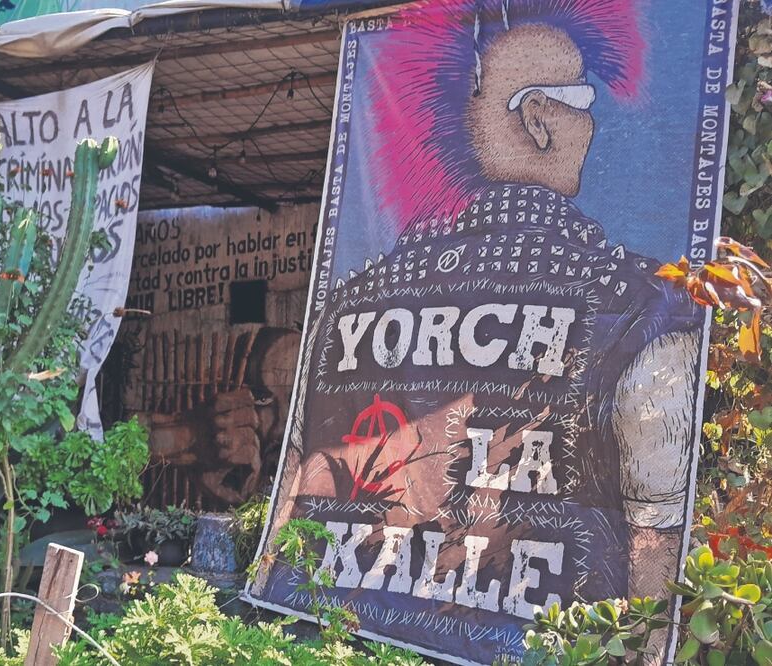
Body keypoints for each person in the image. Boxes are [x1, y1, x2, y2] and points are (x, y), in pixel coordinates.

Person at [254, 1, 702, 658]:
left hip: (344, 638)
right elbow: (656, 539)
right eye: (580, 101)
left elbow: (291, 495)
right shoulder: (644, 306)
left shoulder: (345, 304)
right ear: (537, 118)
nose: (591, 122)